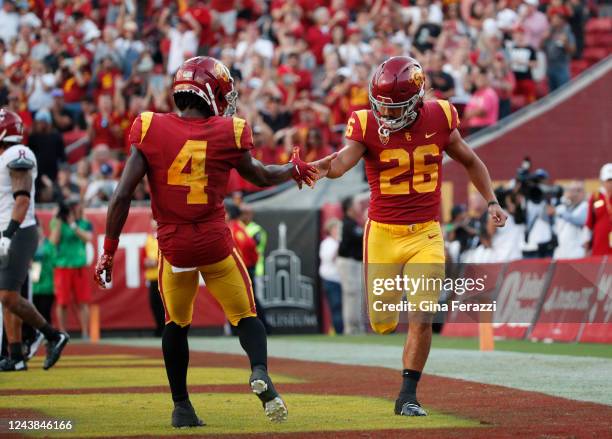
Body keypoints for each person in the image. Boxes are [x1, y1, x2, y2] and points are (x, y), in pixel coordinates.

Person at [93, 56, 325, 428]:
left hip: (174, 245)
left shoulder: (149, 126)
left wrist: (108, 250)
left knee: (176, 324)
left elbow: (121, 195)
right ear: (212, 94)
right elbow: (261, 175)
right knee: (246, 316)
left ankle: (182, 406)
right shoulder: (229, 131)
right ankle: (259, 370)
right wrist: (291, 170)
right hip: (215, 241)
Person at [311, 56, 507, 417]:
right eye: (381, 104)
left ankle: (408, 395)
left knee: (422, 315)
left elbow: (471, 161)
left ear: (417, 100)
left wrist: (491, 200)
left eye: (395, 106)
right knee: (383, 323)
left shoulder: (442, 116)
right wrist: (319, 168)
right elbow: (340, 162)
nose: (385, 113)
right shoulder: (366, 123)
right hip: (383, 233)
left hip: (426, 234)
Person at [0, 108, 69, 372]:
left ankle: (53, 335)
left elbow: (22, 199)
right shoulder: (6, 156)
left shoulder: (17, 154)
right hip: (10, 230)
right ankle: (15, 355)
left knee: (7, 295)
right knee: (6, 294)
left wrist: (7, 234)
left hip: (19, 231)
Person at [49, 197, 93, 339]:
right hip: (63, 267)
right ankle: (62, 332)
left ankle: (85, 332)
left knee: (83, 301)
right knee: (62, 302)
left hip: (79, 266)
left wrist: (73, 224)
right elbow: (54, 241)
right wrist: (60, 221)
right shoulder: (57, 223)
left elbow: (87, 238)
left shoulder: (84, 223)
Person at [337, 196, 365, 335]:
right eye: (356, 204)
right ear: (349, 208)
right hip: (348, 262)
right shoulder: (349, 224)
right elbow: (362, 237)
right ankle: (351, 328)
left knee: (355, 295)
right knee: (352, 294)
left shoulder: (352, 223)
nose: (358, 206)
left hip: (353, 262)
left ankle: (356, 327)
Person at [319, 218, 344, 335]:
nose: (338, 230)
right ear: (331, 230)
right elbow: (329, 258)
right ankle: (339, 331)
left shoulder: (338, 241)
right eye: (336, 228)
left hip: (341, 280)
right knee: (336, 306)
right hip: (330, 280)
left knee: (343, 307)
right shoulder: (327, 243)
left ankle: (341, 329)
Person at [552, 181, 587, 259]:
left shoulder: (585, 206)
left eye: (578, 190)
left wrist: (560, 213)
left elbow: (580, 220)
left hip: (577, 252)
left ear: (583, 193)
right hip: (562, 252)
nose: (575, 194)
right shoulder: (564, 206)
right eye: (572, 190)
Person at [142, 219, 164, 337]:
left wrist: (156, 262)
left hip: (163, 276)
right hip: (152, 277)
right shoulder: (149, 239)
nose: (153, 222)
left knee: (163, 304)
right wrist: (146, 262)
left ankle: (164, 328)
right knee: (154, 304)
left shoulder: (164, 237)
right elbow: (143, 256)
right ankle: (159, 327)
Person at [585, 164, 612, 256]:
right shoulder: (596, 196)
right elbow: (589, 222)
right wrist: (586, 242)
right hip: (600, 244)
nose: (610, 183)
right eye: (608, 181)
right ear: (602, 181)